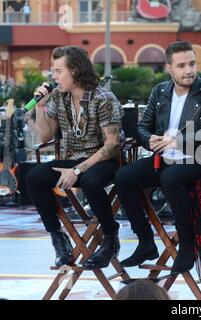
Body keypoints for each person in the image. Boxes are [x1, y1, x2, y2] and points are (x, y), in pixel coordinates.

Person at [114, 41, 201, 274]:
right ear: (170, 68)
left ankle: (187, 244)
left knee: (171, 178)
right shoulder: (160, 91)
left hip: (196, 158)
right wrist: (150, 140)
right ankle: (145, 241)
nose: (189, 70)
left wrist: (180, 140)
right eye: (182, 65)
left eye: (192, 64)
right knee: (124, 177)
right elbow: (142, 127)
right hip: (164, 157)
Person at [26, 46, 124, 269]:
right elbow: (45, 134)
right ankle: (59, 239)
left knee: (91, 180)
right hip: (73, 160)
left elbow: (112, 145)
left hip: (104, 160)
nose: (54, 76)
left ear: (76, 71)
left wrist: (78, 170)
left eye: (58, 71)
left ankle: (110, 238)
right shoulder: (60, 98)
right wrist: (40, 106)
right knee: (34, 177)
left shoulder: (104, 98)